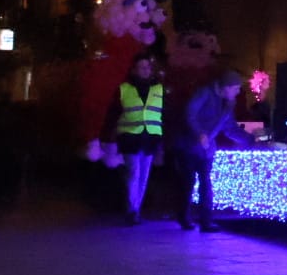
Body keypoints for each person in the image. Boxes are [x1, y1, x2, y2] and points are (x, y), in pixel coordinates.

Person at [175, 69, 253, 232]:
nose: (238, 92)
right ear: (226, 87)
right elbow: (190, 113)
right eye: (236, 88)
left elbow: (229, 127)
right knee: (188, 182)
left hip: (206, 149)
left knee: (205, 182)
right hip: (189, 146)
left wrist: (250, 140)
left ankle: (206, 220)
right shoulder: (205, 93)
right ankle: (184, 216)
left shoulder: (227, 103)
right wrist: (200, 133)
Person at [107, 54, 165, 225]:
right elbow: (114, 113)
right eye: (141, 67)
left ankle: (135, 209)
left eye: (147, 67)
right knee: (134, 173)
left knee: (143, 176)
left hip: (150, 137)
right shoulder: (124, 88)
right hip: (130, 136)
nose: (145, 71)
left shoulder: (158, 88)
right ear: (134, 70)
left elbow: (164, 114)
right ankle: (131, 209)